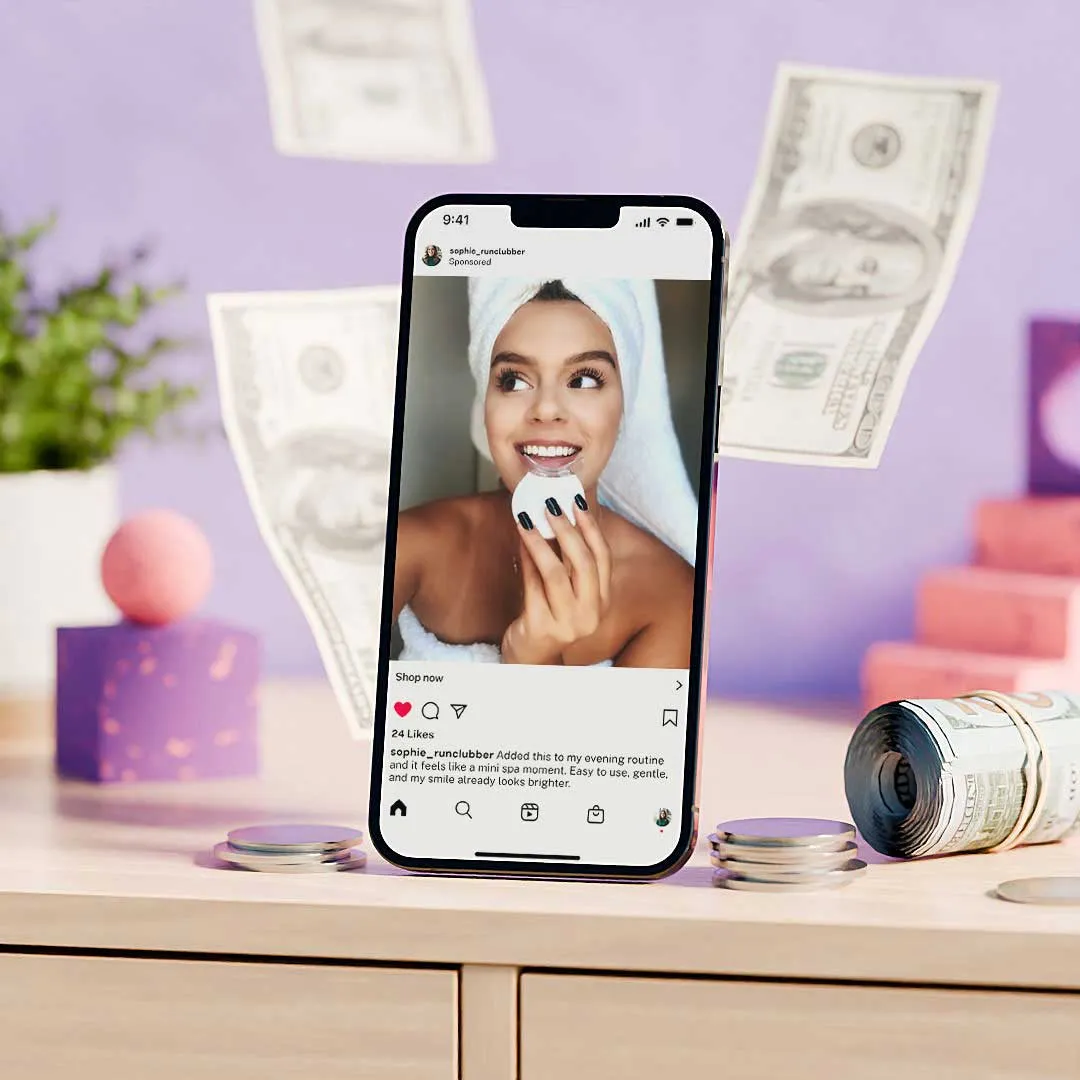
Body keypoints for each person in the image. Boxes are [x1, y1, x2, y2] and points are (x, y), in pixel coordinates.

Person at [392, 277, 700, 668]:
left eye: (584, 379)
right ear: (486, 403)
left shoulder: (673, 597)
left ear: (623, 409)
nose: (547, 409)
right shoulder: (411, 543)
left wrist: (535, 661)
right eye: (513, 380)